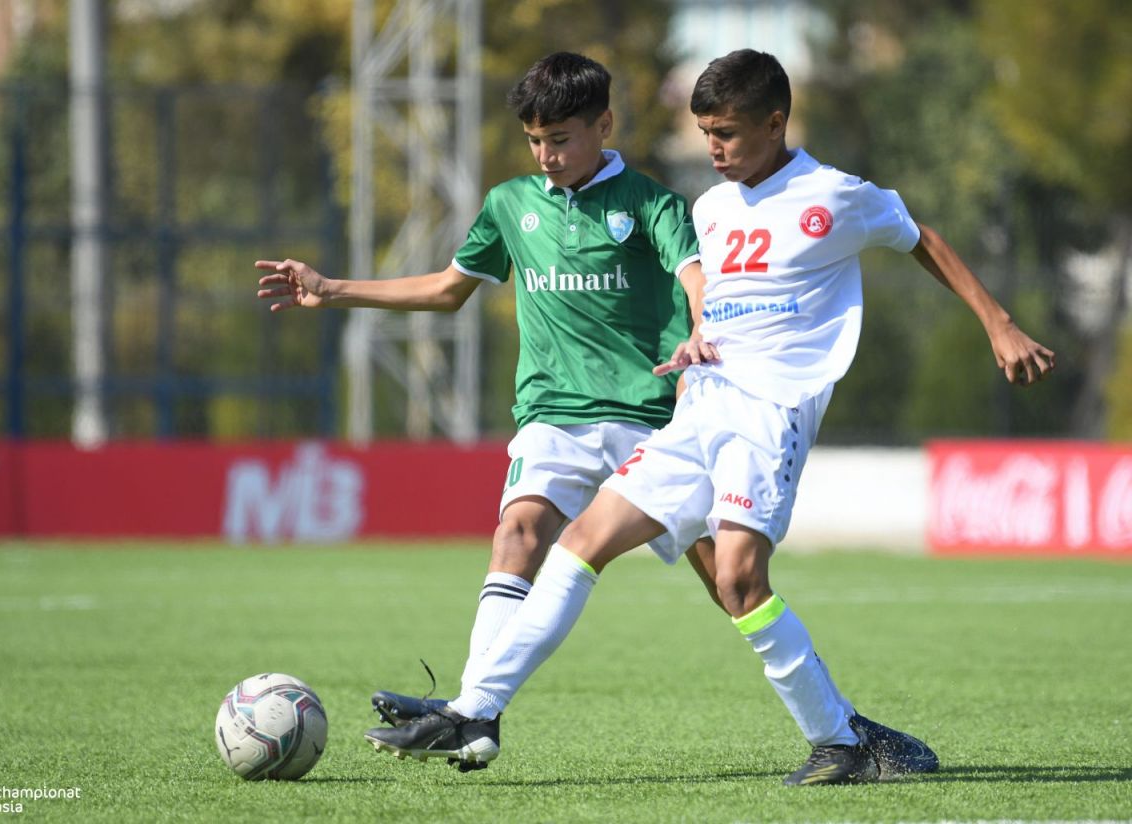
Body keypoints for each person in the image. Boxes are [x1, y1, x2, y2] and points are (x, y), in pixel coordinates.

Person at [362, 49, 1056, 786]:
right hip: (702, 404)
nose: (713, 148)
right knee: (585, 538)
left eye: (726, 132)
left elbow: (922, 240)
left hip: (769, 410)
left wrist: (998, 322)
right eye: (704, 132)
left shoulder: (833, 194)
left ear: (776, 122)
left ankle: (837, 737)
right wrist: (695, 341)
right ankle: (477, 708)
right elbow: (711, 297)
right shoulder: (711, 206)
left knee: (737, 580)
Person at [257, 51, 728, 746]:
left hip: (649, 420)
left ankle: (833, 717)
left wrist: (700, 328)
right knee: (516, 535)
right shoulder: (511, 204)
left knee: (732, 581)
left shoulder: (651, 203)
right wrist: (332, 290)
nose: (546, 155)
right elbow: (448, 290)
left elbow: (693, 274)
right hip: (553, 419)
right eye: (535, 140)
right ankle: (476, 720)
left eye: (561, 139)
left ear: (604, 124)